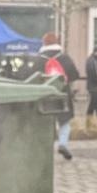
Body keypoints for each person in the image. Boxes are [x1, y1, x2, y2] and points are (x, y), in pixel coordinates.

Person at [39, 32, 80, 161]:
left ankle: (45, 149)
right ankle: (63, 143)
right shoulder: (64, 58)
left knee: (46, 121)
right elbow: (74, 75)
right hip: (62, 93)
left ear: (44, 43)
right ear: (57, 43)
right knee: (64, 121)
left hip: (44, 93)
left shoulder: (39, 58)